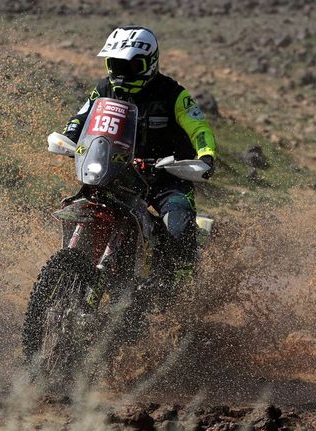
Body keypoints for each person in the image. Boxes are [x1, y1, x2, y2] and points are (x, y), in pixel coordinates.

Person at [62, 25, 218, 299]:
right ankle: (74, 268)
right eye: (116, 64)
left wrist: (205, 156)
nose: (122, 71)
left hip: (167, 177)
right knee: (76, 204)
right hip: (118, 172)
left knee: (178, 228)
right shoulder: (103, 89)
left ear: (149, 64)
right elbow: (81, 117)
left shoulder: (173, 95)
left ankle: (173, 290)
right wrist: (68, 136)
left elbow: (199, 129)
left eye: (131, 65)